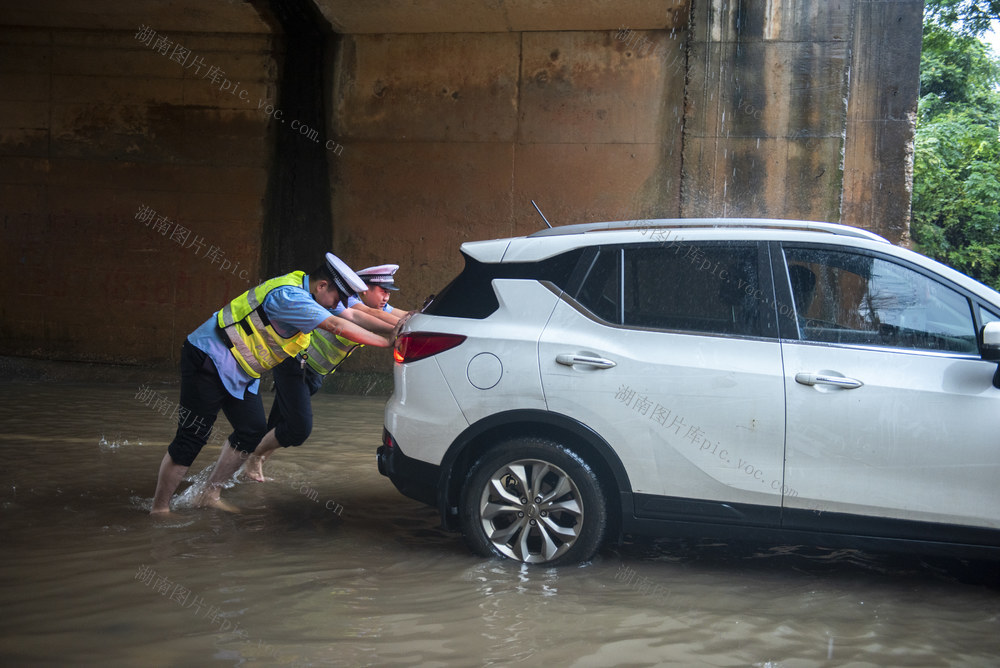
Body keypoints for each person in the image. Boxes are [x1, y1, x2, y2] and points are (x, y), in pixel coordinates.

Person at [150, 253, 393, 514]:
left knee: (252, 431)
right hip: (210, 356)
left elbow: (352, 316)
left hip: (243, 369)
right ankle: (159, 509)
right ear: (322, 285)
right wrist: (387, 342)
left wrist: (398, 328)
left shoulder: (309, 289)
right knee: (192, 436)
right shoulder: (290, 297)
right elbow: (336, 324)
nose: (339, 305)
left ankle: (208, 493)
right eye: (337, 298)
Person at [242, 264, 410, 481]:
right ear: (363, 290)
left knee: (279, 424)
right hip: (296, 365)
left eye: (389, 292)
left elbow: (401, 316)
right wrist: (395, 334)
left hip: (314, 374)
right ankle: (254, 458)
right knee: (298, 428)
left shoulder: (376, 305)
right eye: (382, 291)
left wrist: (417, 322)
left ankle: (248, 468)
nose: (386, 297)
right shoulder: (343, 301)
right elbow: (361, 316)